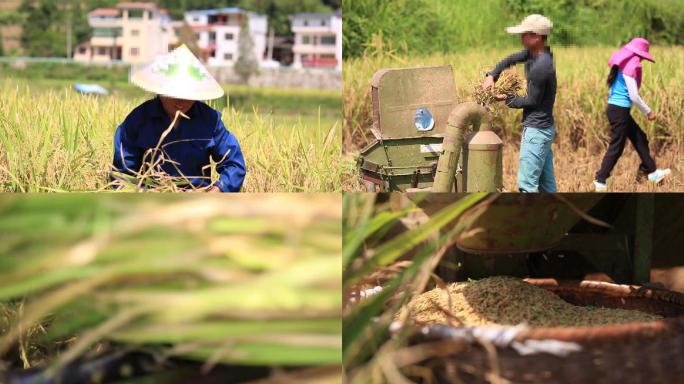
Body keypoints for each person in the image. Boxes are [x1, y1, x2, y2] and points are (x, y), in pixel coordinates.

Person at [111, 45, 246, 192]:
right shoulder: (138, 120)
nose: (181, 101)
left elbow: (234, 164)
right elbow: (122, 173)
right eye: (174, 93)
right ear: (161, 90)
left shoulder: (210, 120)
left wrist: (217, 190)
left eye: (188, 95)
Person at [482, 14, 557, 192]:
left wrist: (505, 98)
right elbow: (511, 59)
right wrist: (493, 75)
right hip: (544, 128)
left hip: (536, 131)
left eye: (525, 34)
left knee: (527, 186)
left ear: (537, 37)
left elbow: (532, 100)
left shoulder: (541, 67)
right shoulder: (538, 54)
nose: (521, 38)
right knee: (547, 187)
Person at [593, 37, 670, 191]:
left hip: (618, 110)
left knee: (640, 138)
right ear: (640, 54)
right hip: (619, 111)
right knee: (617, 147)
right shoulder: (631, 66)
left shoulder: (625, 63)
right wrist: (648, 111)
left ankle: (651, 172)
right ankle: (600, 180)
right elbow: (633, 96)